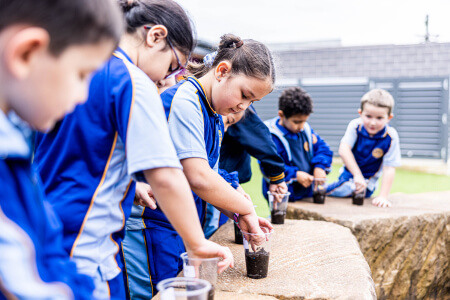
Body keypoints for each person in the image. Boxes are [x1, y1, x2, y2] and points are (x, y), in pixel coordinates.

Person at [33, 1, 233, 298]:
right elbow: (165, 175)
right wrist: (197, 243)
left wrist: (129, 183)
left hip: (39, 235)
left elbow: (78, 153)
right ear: (155, 36)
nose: (167, 79)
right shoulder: (133, 82)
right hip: (86, 250)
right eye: (172, 66)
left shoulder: (78, 67)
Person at [124, 33, 275, 297]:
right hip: (151, 223)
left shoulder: (214, 113)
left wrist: (237, 212)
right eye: (244, 94)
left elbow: (213, 176)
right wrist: (246, 208)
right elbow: (199, 177)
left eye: (252, 102)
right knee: (155, 293)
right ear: (222, 71)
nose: (244, 106)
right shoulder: (186, 101)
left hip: (175, 224)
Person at [0, 0, 123, 298]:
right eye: (81, 74)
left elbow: (47, 249)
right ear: (26, 53)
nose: (82, 96)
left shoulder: (17, 143)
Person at [328, 89, 401, 207]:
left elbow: (389, 168)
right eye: (368, 116)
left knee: (322, 190)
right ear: (360, 113)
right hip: (348, 176)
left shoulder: (391, 137)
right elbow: (344, 149)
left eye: (379, 118)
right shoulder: (355, 126)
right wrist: (357, 175)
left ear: (389, 117)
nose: (373, 122)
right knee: (337, 188)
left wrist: (383, 196)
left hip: (368, 184)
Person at [263, 87, 333, 201]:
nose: (301, 126)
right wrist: (295, 175)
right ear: (281, 115)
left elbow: (323, 149)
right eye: (296, 122)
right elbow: (268, 165)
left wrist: (320, 166)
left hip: (308, 193)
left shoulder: (306, 131)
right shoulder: (270, 135)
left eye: (304, 121)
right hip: (281, 195)